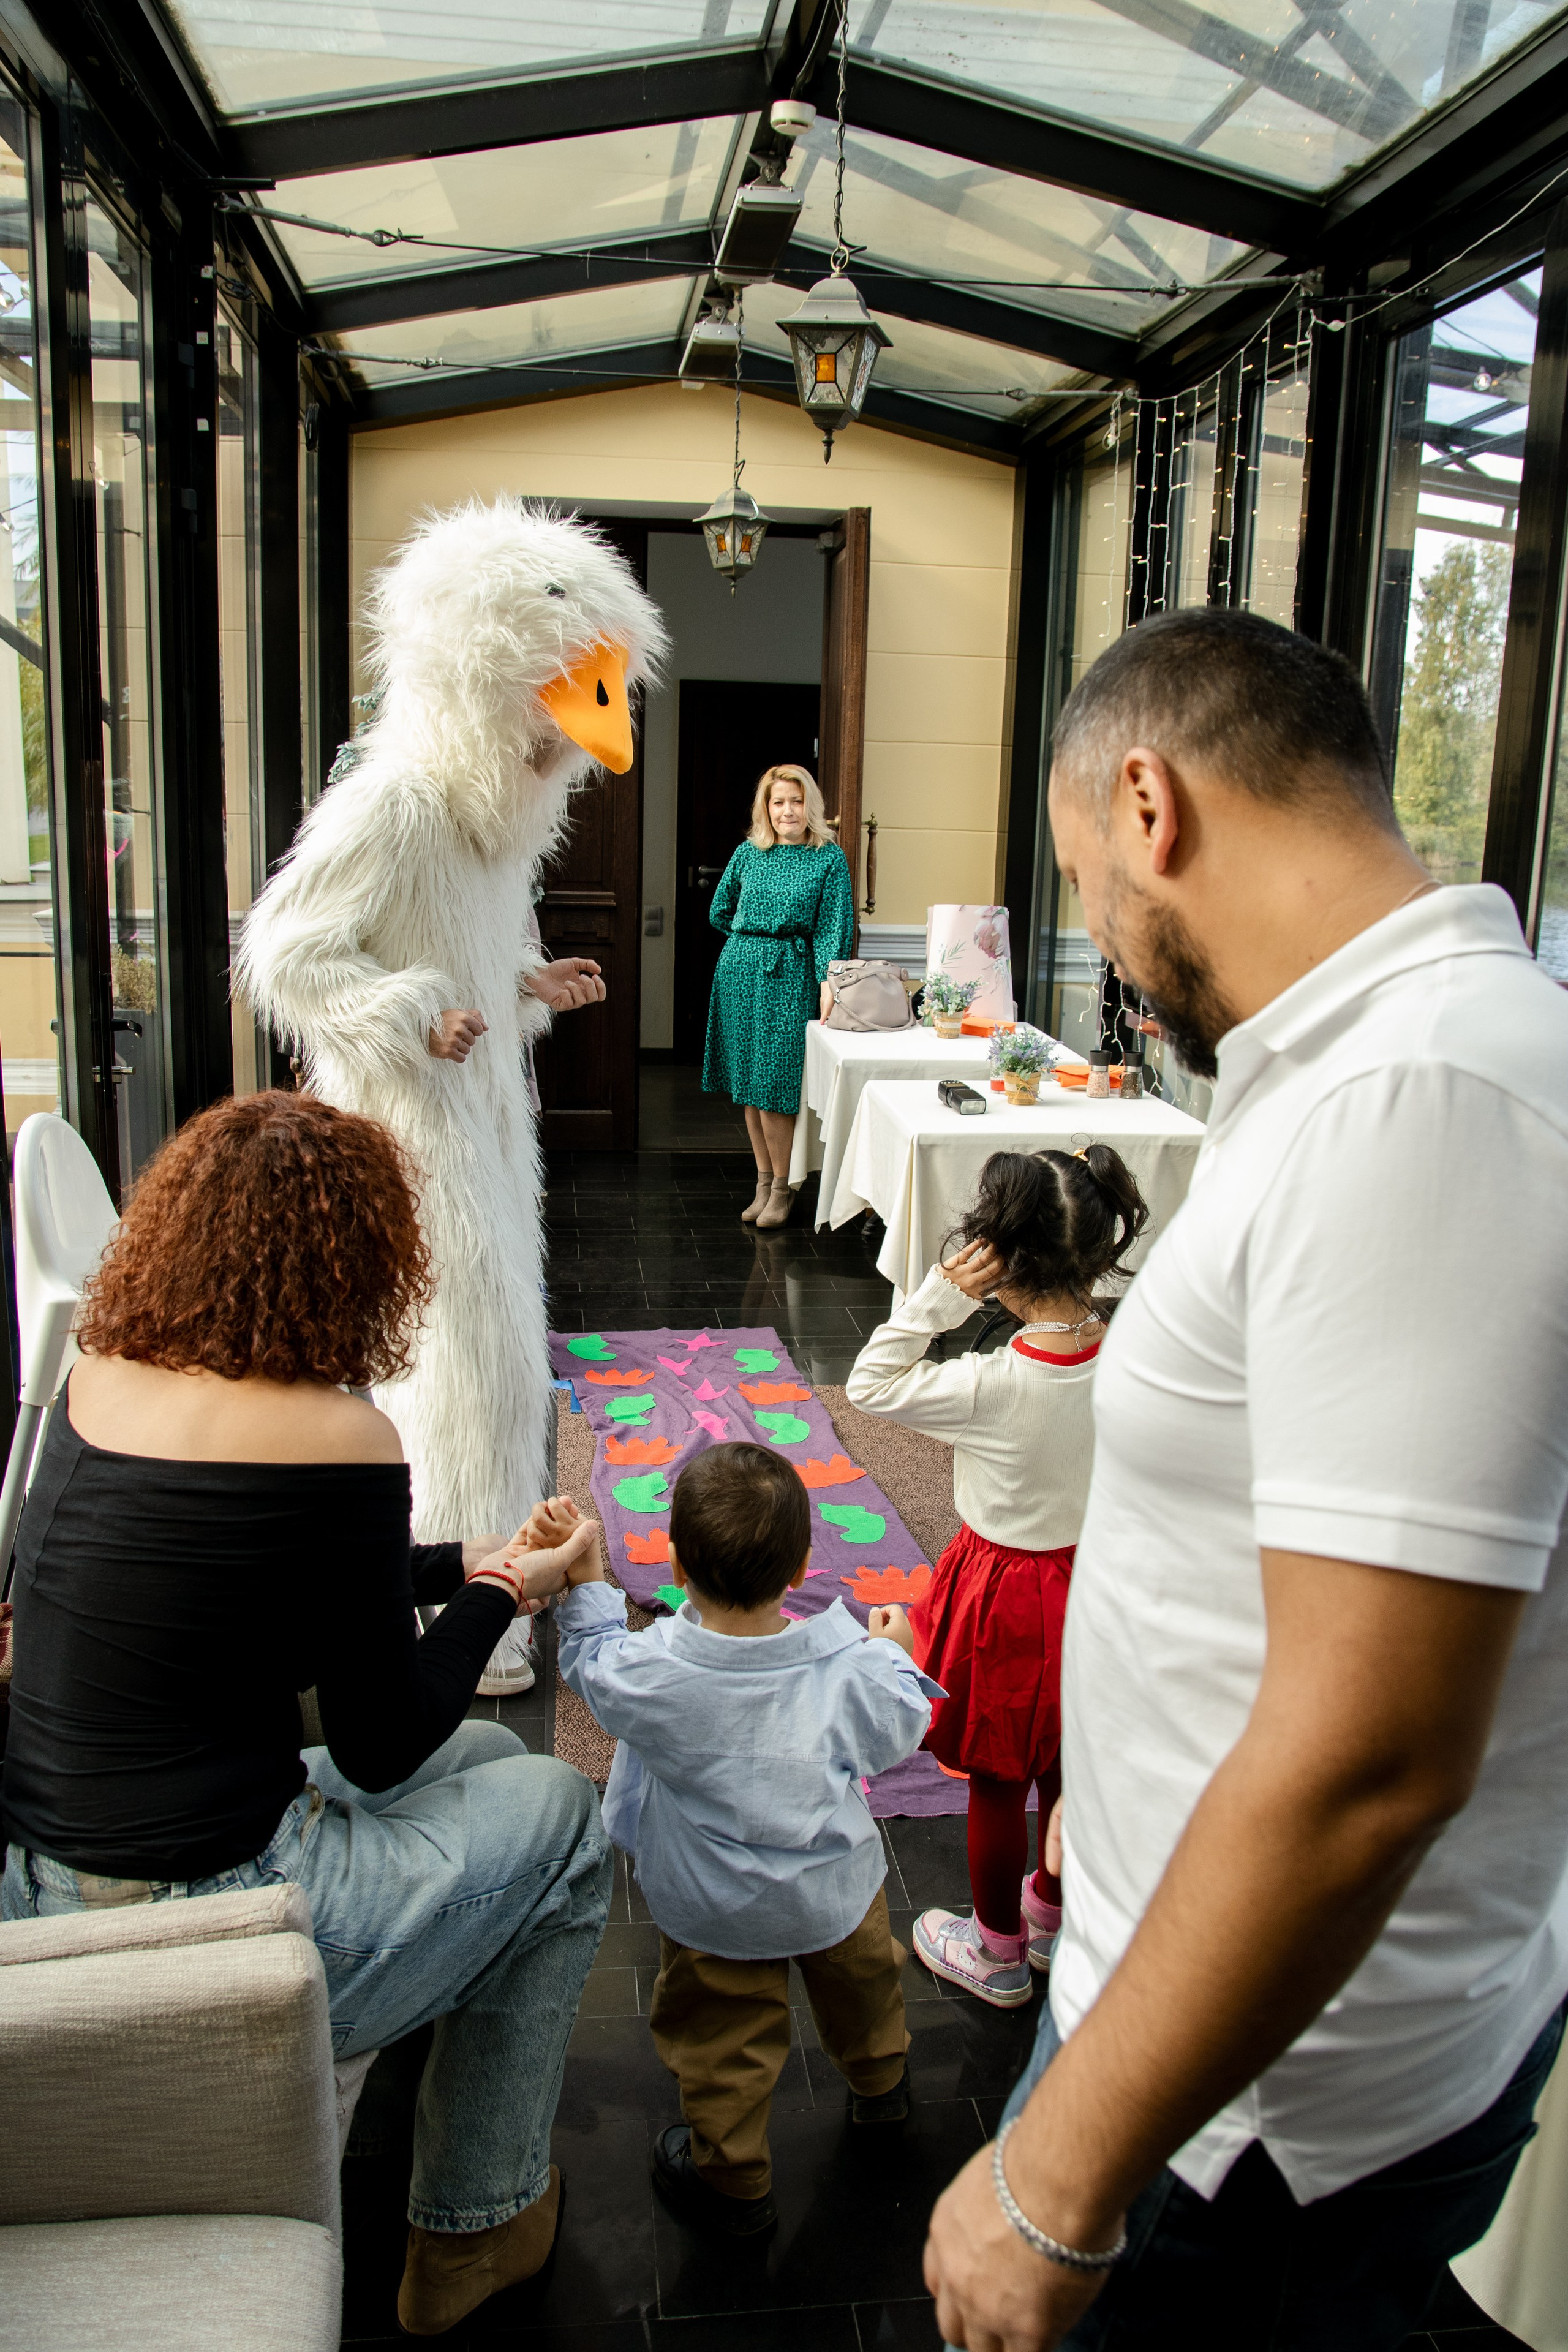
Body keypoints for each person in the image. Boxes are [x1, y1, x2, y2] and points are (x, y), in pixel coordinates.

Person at [922, 605, 1568, 2352]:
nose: (1108, 947)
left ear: (1152, 805)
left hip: (1247, 2112)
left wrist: (1058, 2171)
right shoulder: (1372, 1068)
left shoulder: (1425, 1097)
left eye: (1085, 883)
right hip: (1230, 2051)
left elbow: (1369, 1756)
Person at [0, 1090, 613, 2341]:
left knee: (490, 1748)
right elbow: (384, 1739)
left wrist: (459, 1562)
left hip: (43, 1876)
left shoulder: (97, 1374)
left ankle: (437, 2104)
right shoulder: (340, 1434)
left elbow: (263, 1560)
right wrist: (506, 1589)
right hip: (205, 1916)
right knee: (558, 1816)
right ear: (362, 1256)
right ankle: (474, 2221)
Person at [238, 500, 669, 1701]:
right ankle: (470, 1612)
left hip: (474, 1127)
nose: (557, 763)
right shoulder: (398, 804)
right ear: (484, 689)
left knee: (484, 1364)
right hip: (414, 1139)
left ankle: (475, 1586)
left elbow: (447, 961)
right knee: (460, 1369)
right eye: (540, 734)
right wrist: (413, 1014)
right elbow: (290, 954)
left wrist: (516, 986)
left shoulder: (485, 836)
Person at [529, 1444, 938, 2234]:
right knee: (865, 1994)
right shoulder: (848, 1665)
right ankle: (883, 2088)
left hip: (712, 1912)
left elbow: (592, 1660)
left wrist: (586, 1583)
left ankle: (736, 2177)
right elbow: (898, 1727)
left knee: (721, 2049)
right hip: (837, 1900)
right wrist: (894, 1653)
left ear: (675, 1563)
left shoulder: (652, 1673)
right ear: (803, 1566)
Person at [846, 1145, 1148, 2011]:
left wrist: (939, 1297)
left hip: (1004, 1595)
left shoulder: (992, 1384)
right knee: (1069, 1758)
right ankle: (1050, 1919)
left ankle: (996, 1953)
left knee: (997, 1777)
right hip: (1096, 1579)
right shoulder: (1127, 1353)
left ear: (998, 1265)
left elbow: (872, 1383)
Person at [702, 764, 854, 1229]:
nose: (787, 810)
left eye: (795, 800)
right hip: (739, 973)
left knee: (776, 1088)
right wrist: (752, 942)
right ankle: (763, 1182)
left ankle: (785, 1189)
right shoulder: (749, 852)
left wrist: (827, 981)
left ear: (811, 805)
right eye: (777, 801)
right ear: (765, 808)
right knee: (749, 1085)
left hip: (790, 976)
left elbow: (834, 927)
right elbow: (719, 910)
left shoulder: (828, 858)